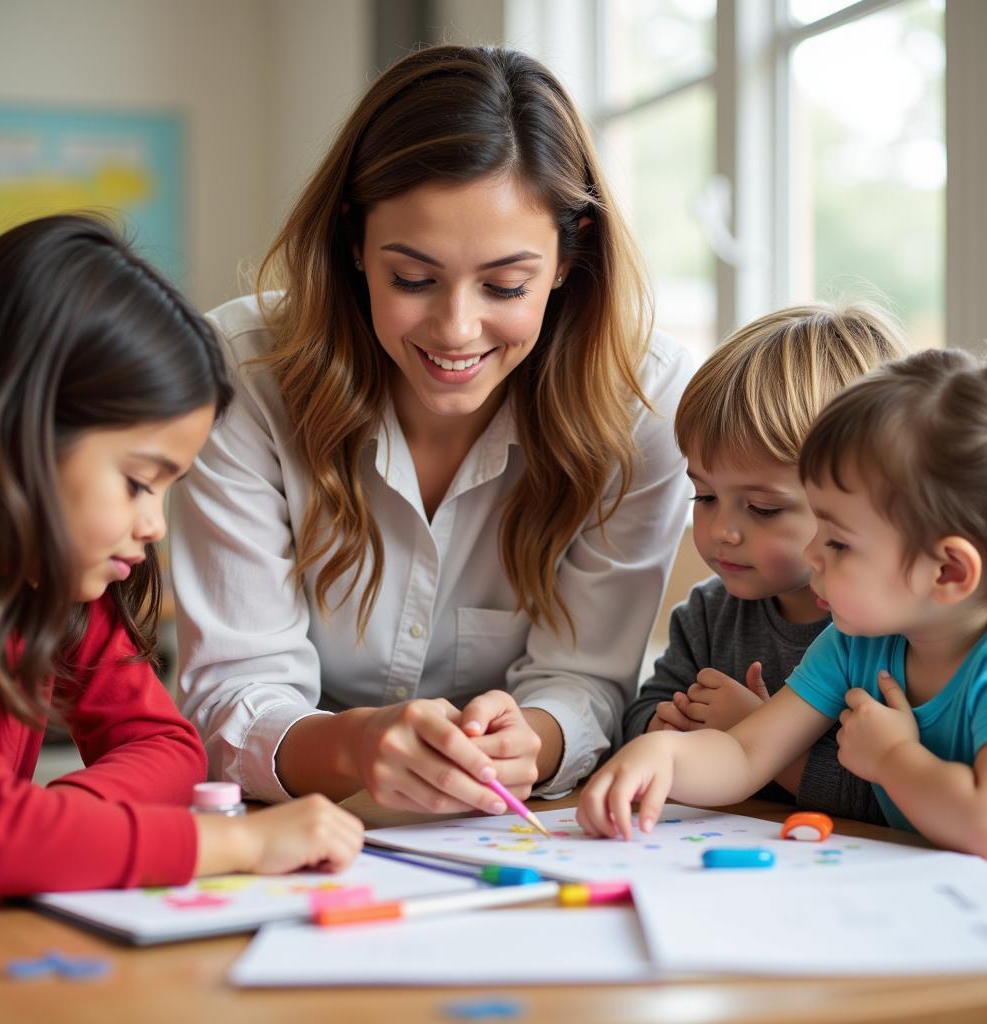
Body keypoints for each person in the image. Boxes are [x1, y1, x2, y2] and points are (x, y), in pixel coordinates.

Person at [170, 44, 693, 813]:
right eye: (411, 279)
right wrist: (354, 744)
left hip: (515, 825)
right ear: (354, 242)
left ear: (568, 257)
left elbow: (585, 681)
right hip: (296, 824)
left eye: (506, 285)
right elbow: (233, 693)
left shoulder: (643, 402)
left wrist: (535, 740)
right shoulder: (243, 376)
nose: (456, 329)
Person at [0, 214, 363, 894]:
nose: (154, 526)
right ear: (19, 432)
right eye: (137, 483)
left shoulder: (59, 591)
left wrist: (56, 829)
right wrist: (232, 842)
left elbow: (170, 749)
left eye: (166, 492)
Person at [579, 348, 987, 855]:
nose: (813, 551)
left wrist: (892, 758)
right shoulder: (848, 645)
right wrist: (663, 753)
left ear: (947, 571)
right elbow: (743, 753)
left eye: (838, 542)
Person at [622, 304, 905, 821]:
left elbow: (888, 799)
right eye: (704, 496)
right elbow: (641, 714)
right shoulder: (710, 613)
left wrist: (755, 737)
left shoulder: (882, 636)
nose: (722, 531)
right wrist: (664, 730)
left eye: (763, 508)